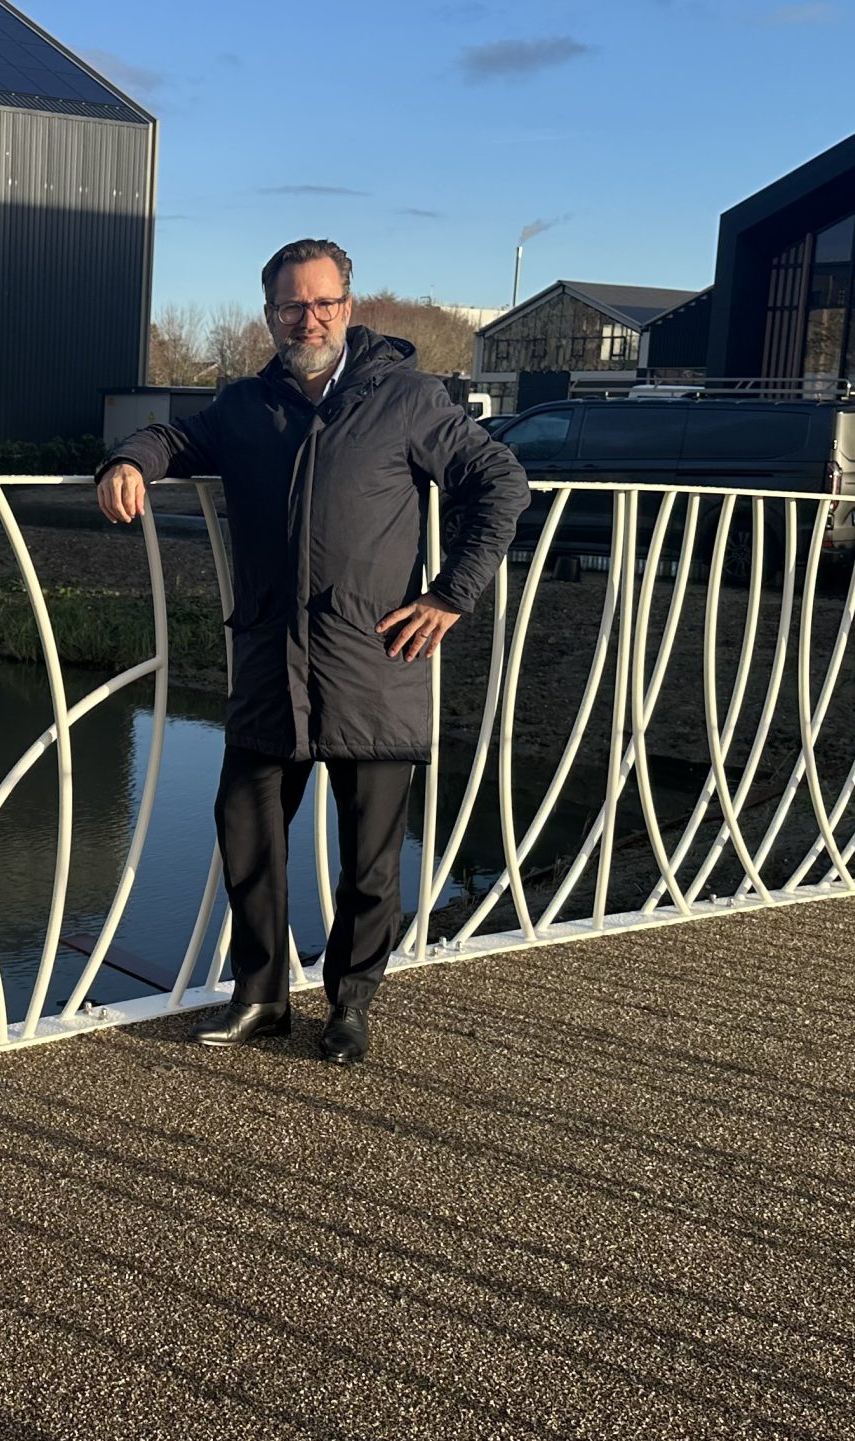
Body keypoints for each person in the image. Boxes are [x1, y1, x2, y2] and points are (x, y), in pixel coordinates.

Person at [97, 238, 528, 1065]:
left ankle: (351, 1004)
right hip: (269, 664)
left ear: (348, 306)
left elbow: (500, 482)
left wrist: (451, 593)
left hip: (373, 662)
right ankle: (260, 995)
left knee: (370, 861)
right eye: (293, 305)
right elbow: (173, 439)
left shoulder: (407, 398)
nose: (310, 317)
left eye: (324, 301)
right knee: (247, 834)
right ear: (270, 316)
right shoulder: (245, 406)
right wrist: (128, 459)